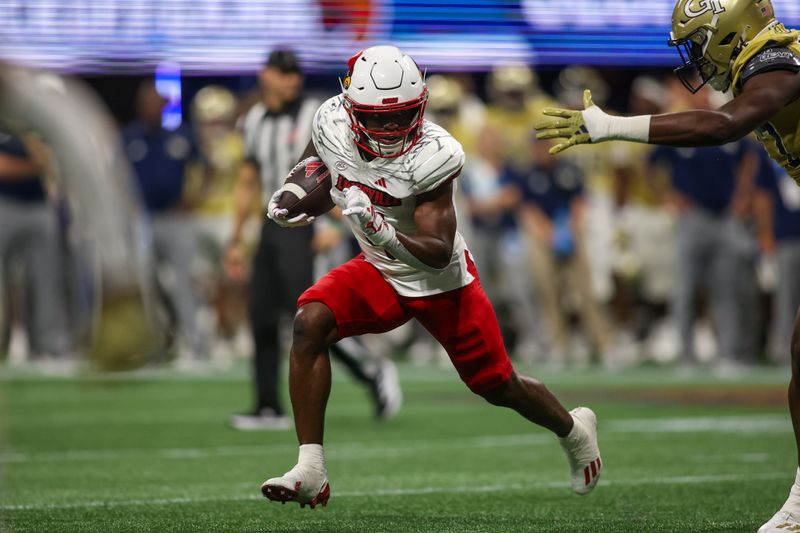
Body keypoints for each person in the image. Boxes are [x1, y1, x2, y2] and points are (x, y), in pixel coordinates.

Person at [261, 44, 602, 508]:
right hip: (379, 270)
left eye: (400, 115)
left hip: (440, 282)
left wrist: (382, 233)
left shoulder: (435, 152)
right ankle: (311, 468)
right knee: (309, 322)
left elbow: (439, 252)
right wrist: (293, 194)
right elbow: (320, 168)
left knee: (498, 384)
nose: (388, 127)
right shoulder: (332, 120)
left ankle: (575, 429)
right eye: (376, 117)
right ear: (351, 107)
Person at [532, 1, 799, 530]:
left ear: (726, 33)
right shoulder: (767, 62)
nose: (697, 58)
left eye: (699, 42)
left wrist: (613, 127)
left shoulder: (777, 65)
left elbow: (725, 124)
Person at [227, 49, 401, 430]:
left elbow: (343, 173)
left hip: (313, 227)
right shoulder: (254, 119)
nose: (291, 80)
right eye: (283, 73)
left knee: (312, 317)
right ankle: (268, 405)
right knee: (260, 315)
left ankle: (372, 372)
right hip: (272, 226)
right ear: (266, 75)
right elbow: (247, 180)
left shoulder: (318, 116)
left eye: (295, 73)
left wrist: (337, 227)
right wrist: (236, 239)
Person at [123, 80, 210, 365]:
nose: (151, 107)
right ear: (138, 105)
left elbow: (205, 169)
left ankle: (194, 346)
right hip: (142, 220)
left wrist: (194, 198)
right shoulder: (128, 138)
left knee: (185, 283)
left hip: (176, 219)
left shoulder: (182, 136)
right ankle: (153, 347)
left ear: (164, 106)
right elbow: (114, 176)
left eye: (156, 102)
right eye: (147, 102)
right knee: (144, 286)